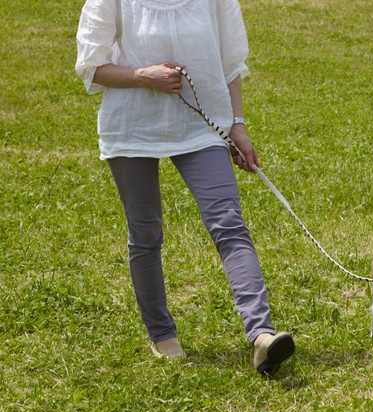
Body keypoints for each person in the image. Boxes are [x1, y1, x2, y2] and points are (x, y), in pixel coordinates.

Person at [75, 0, 294, 375]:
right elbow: (92, 67)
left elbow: (230, 64)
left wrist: (237, 126)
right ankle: (162, 334)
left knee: (229, 223)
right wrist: (144, 76)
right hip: (132, 127)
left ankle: (262, 335)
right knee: (146, 233)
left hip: (201, 129)